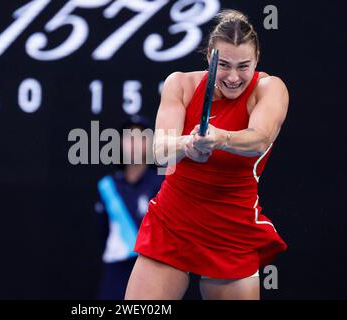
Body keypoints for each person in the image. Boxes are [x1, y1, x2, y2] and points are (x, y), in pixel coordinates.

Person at [125, 9, 289, 300]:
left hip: (232, 231)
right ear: (209, 56)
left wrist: (219, 137)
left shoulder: (270, 88)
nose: (234, 77)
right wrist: (188, 144)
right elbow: (162, 150)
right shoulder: (180, 84)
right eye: (224, 65)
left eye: (244, 66)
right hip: (173, 223)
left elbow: (260, 139)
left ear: (257, 59)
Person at [95, 115, 164, 299]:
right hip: (115, 270)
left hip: (150, 267)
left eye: (141, 137)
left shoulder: (162, 184)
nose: (133, 143)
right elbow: (101, 232)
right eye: (128, 137)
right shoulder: (107, 186)